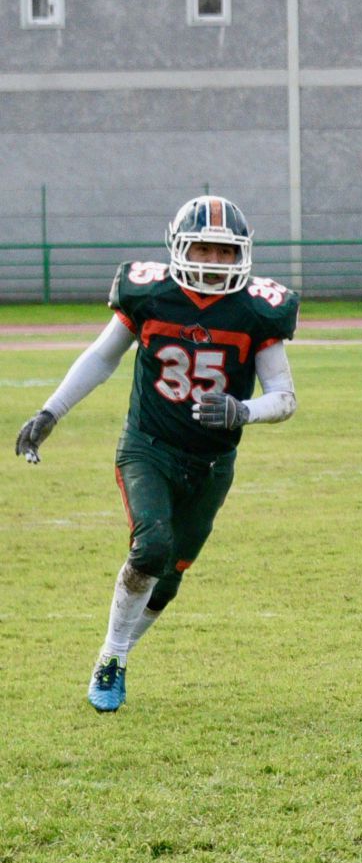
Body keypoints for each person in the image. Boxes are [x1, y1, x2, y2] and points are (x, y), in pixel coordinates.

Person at [14, 195, 299, 713]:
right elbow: (102, 358)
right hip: (148, 446)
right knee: (151, 548)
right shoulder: (149, 293)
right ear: (179, 246)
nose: (213, 262)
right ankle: (112, 658)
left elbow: (285, 395)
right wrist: (51, 412)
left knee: (171, 575)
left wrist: (243, 411)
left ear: (242, 256)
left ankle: (117, 653)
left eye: (224, 252)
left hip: (212, 463)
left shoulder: (257, 310)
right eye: (203, 249)